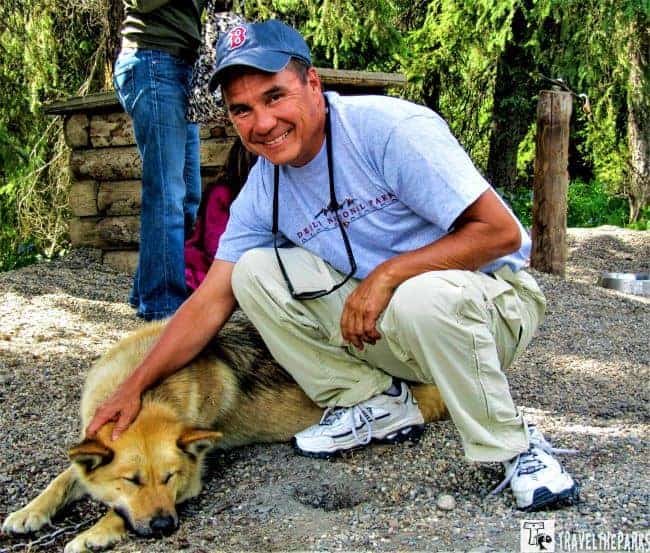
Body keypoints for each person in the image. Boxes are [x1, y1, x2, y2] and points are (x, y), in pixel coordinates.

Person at [89, 20, 579, 511]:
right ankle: (376, 401)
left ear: (313, 84)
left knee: (421, 296)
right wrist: (134, 387)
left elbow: (502, 233)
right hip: (386, 324)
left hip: (491, 307)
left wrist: (389, 275)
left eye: (275, 96)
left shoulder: (388, 129)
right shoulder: (266, 184)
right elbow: (209, 301)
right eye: (243, 109)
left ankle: (517, 448)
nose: (261, 123)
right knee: (251, 271)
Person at [114, 0, 207, 320]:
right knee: (168, 194)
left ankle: (147, 290)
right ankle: (163, 308)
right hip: (152, 59)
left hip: (183, 67)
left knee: (188, 196)